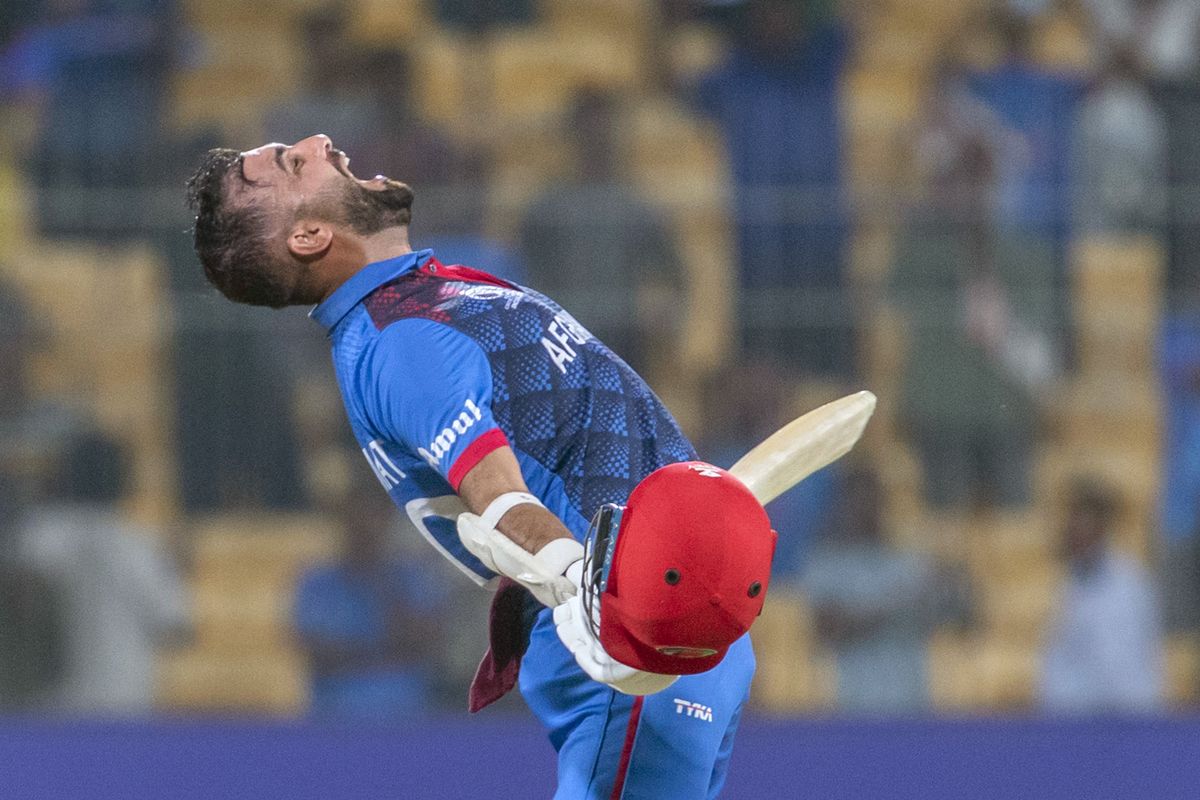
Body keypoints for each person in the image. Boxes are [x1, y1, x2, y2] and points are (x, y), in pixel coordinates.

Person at [186, 134, 780, 798]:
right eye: (296, 165)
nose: (320, 141)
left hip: (673, 625)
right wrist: (590, 590)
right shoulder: (399, 342)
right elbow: (498, 505)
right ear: (310, 235)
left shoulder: (422, 297)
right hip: (626, 629)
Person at [17, 429, 190, 714]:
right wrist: (176, 570)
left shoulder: (31, 540)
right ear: (122, 481)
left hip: (43, 717)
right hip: (119, 711)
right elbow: (175, 628)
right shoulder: (138, 547)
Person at [801, 467, 951, 713]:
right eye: (856, 501)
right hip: (852, 706)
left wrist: (949, 582)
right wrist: (897, 600)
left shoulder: (908, 561)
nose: (864, 510)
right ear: (841, 506)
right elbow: (828, 628)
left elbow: (953, 618)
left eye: (871, 500)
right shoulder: (825, 563)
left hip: (911, 704)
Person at [294, 483, 448, 719]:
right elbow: (314, 650)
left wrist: (382, 583)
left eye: (372, 518)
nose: (364, 528)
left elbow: (426, 643)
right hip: (334, 712)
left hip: (404, 711)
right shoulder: (318, 582)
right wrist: (379, 651)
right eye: (356, 518)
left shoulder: (411, 577)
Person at [1039, 478, 1164, 713]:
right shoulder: (1062, 586)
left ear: (1100, 528)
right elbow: (1055, 667)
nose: (1075, 533)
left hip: (1127, 718)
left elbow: (1129, 663)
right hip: (1074, 721)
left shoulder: (1131, 583)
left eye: (1083, 526)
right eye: (1072, 525)